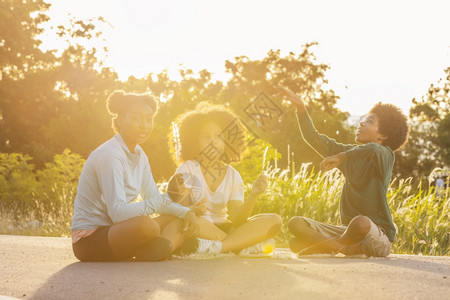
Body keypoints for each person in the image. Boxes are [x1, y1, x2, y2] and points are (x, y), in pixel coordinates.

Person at [275, 85, 409, 257]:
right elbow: (313, 138)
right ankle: (343, 248)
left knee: (361, 222)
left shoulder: (386, 156)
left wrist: (341, 157)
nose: (362, 123)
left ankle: (333, 247)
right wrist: (301, 108)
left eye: (370, 121)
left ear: (382, 136)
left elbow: (374, 149)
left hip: (377, 236)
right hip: (347, 233)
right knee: (296, 225)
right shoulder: (351, 156)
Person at [71, 90, 199, 262]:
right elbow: (117, 213)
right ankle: (160, 246)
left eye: (148, 119)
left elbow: (153, 197)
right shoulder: (110, 155)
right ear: (121, 120)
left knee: (176, 217)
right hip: (89, 241)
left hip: (116, 231)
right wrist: (169, 198)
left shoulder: (140, 155)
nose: (144, 125)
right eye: (136, 118)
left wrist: (187, 212)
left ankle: (158, 248)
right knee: (146, 226)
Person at [166, 102, 282, 256]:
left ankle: (219, 247)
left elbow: (236, 218)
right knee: (187, 223)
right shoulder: (187, 168)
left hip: (224, 228)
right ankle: (239, 245)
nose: (213, 141)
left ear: (227, 141)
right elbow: (179, 210)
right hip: (198, 228)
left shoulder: (233, 175)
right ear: (195, 141)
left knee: (274, 220)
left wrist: (254, 194)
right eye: (205, 136)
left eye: (219, 136)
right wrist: (192, 210)